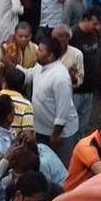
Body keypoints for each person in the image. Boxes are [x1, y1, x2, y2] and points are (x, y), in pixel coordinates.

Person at [30, 36, 78, 166]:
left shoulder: (60, 77)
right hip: (42, 129)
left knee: (59, 166)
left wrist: (55, 135)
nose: (36, 52)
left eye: (40, 50)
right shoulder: (40, 66)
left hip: (60, 134)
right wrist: (9, 64)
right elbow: (27, 75)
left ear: (50, 56)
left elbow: (63, 110)